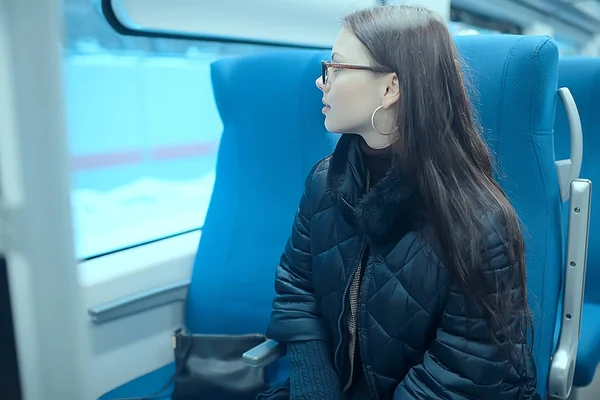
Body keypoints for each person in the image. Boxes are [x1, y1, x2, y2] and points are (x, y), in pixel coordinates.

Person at [261, 5, 540, 400]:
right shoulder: (326, 182)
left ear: (391, 88)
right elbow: (296, 291)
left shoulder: (477, 220)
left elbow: (465, 370)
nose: (321, 82)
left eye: (337, 67)